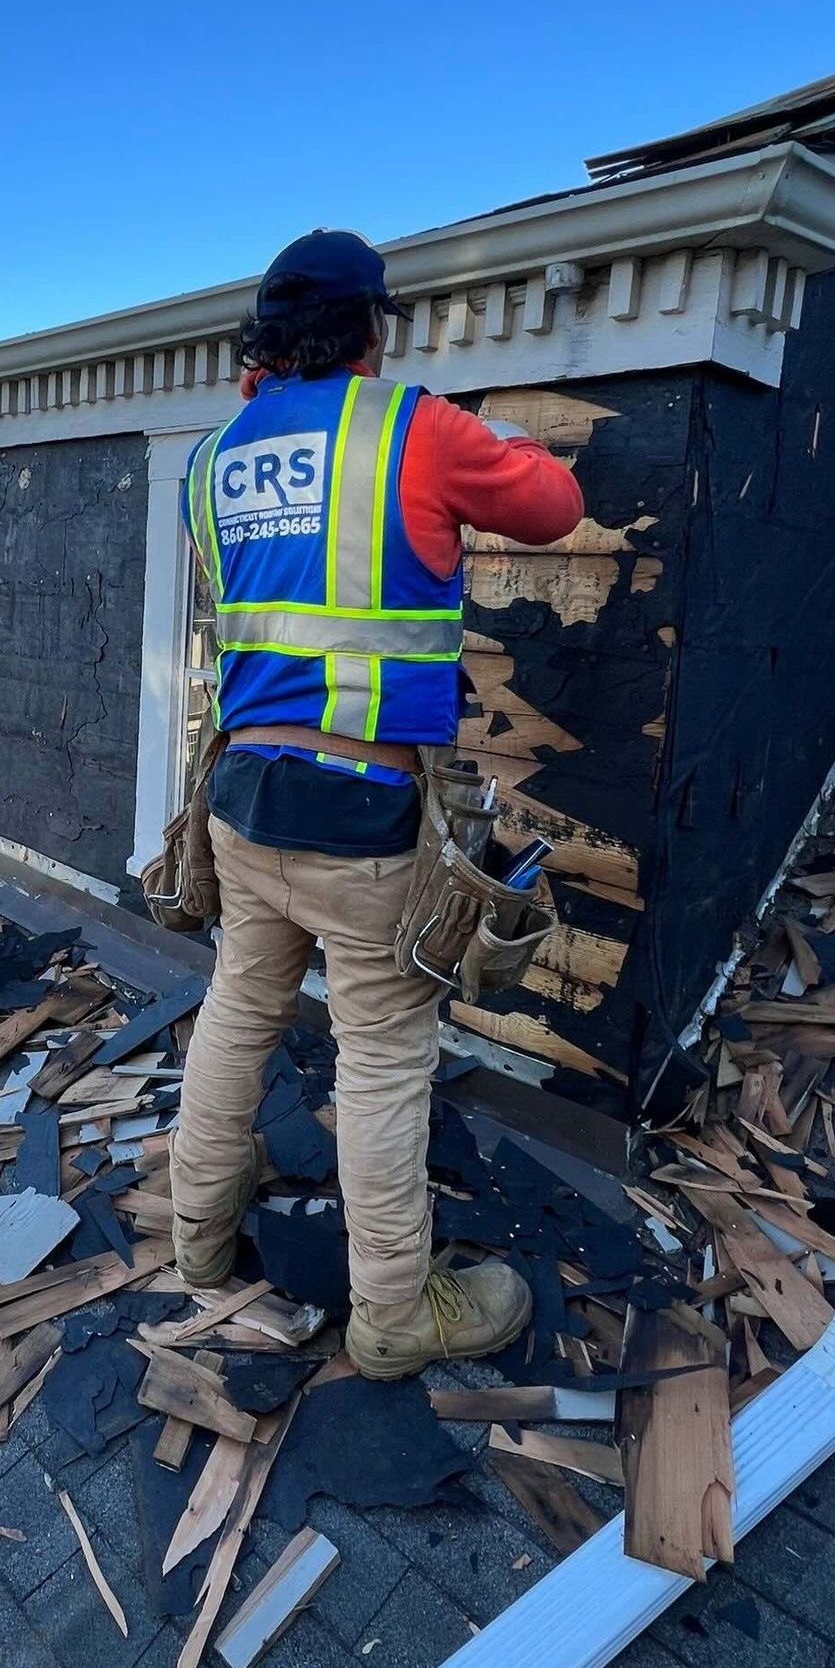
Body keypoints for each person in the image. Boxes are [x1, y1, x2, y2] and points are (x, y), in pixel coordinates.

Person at [171, 228, 586, 1379]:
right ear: (373, 327)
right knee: (385, 1060)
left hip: (243, 801)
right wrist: (495, 433)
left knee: (237, 1014)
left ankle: (196, 1244)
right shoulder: (412, 426)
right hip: (363, 818)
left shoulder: (213, 458)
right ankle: (396, 1315)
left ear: (262, 341)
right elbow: (554, 505)